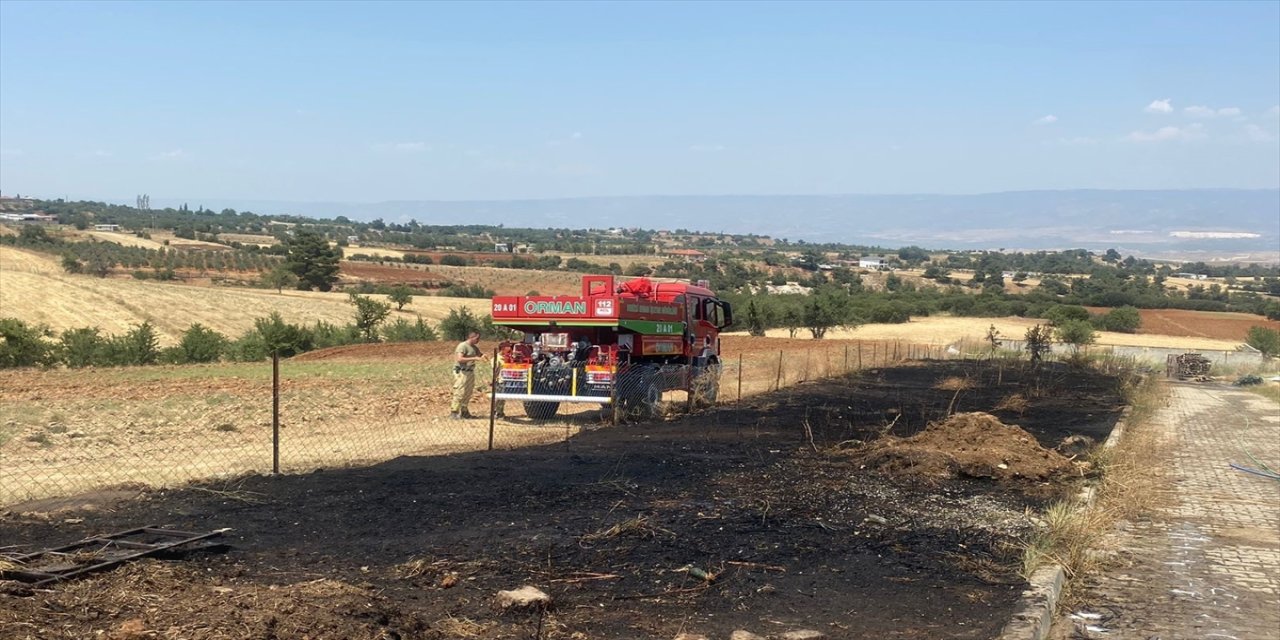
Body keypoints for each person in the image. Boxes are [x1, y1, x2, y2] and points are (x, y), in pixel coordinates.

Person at [450, 331, 485, 419]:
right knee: (460, 392)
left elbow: (480, 355)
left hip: (470, 371)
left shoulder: (474, 348)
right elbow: (460, 359)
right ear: (472, 337)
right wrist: (475, 358)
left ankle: (464, 411)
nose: (478, 340)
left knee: (468, 392)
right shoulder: (463, 346)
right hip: (462, 371)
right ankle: (454, 411)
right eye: (477, 338)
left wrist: (484, 356)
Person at [494, 342, 513, 418]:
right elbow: (495, 370)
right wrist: (494, 380)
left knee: (503, 398)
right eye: (507, 347)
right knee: (498, 397)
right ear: (503, 349)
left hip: (507, 379)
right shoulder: (497, 358)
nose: (510, 349)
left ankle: (500, 411)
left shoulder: (508, 357)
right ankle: (496, 411)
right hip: (500, 380)